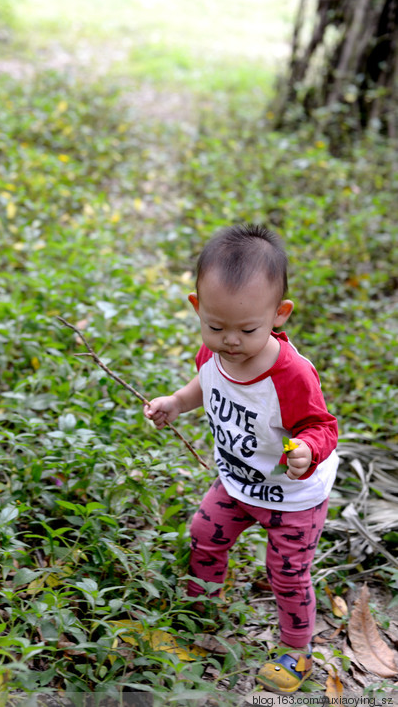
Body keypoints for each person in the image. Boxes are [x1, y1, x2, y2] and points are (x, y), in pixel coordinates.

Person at [144, 224, 338, 695]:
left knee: (286, 576)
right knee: (204, 535)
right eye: (215, 326)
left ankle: (296, 650)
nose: (230, 340)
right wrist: (176, 401)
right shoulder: (213, 355)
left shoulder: (290, 375)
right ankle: (203, 606)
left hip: (295, 497)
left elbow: (323, 427)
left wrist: (307, 450)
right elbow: (205, 386)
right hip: (237, 482)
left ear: (278, 314)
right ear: (197, 308)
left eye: (247, 329)